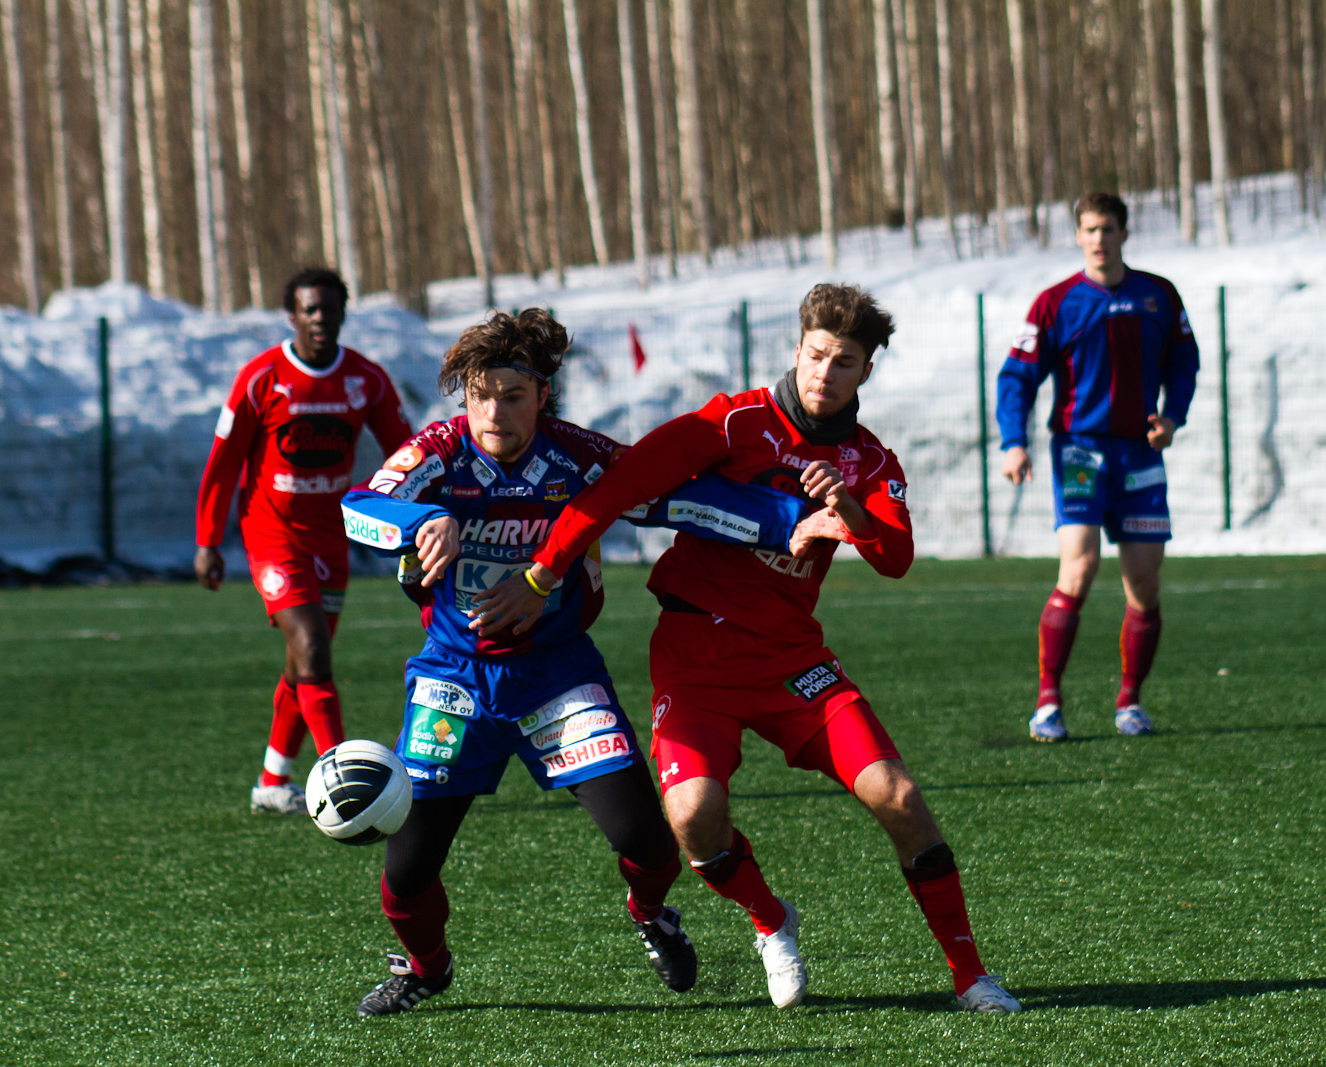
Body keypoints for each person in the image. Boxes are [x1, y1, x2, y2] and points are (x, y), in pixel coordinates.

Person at [476, 284, 1022, 1014]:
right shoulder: (734, 422)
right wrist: (542, 574)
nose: (826, 372)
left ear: (866, 371)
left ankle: (970, 975)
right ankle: (771, 919)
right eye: (817, 355)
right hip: (695, 654)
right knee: (693, 816)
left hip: (792, 660)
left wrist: (848, 507)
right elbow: (619, 486)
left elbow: (896, 557)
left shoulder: (868, 461)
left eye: (845, 362)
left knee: (899, 796)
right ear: (797, 350)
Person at [339, 308, 814, 1018]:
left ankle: (650, 913)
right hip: (454, 679)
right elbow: (359, 507)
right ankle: (427, 967)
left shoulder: (579, 457)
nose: (493, 412)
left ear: (543, 395)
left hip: (557, 675)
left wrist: (788, 518)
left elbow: (670, 495)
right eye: (479, 396)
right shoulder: (437, 452)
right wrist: (421, 519)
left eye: (512, 395)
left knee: (649, 843)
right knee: (407, 871)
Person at [193, 267, 413, 812]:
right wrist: (208, 540)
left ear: (343, 312)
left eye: (329, 308)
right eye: (309, 310)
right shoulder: (261, 377)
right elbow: (224, 461)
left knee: (304, 661)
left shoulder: (366, 379)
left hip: (330, 536)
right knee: (312, 647)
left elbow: (408, 451)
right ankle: (344, 785)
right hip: (271, 531)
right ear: (292, 316)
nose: (320, 319)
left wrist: (422, 516)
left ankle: (272, 782)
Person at [998, 192, 1200, 742]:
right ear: (1078, 235)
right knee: (1080, 567)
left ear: (1124, 233)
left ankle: (1130, 701)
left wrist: (1173, 417)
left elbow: (1184, 361)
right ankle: (1048, 702)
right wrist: (1014, 442)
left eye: (1107, 229)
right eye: (1089, 229)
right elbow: (1016, 377)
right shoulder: (1055, 302)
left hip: (1140, 453)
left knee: (1145, 585)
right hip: (1079, 449)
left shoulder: (1158, 295)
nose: (1098, 239)